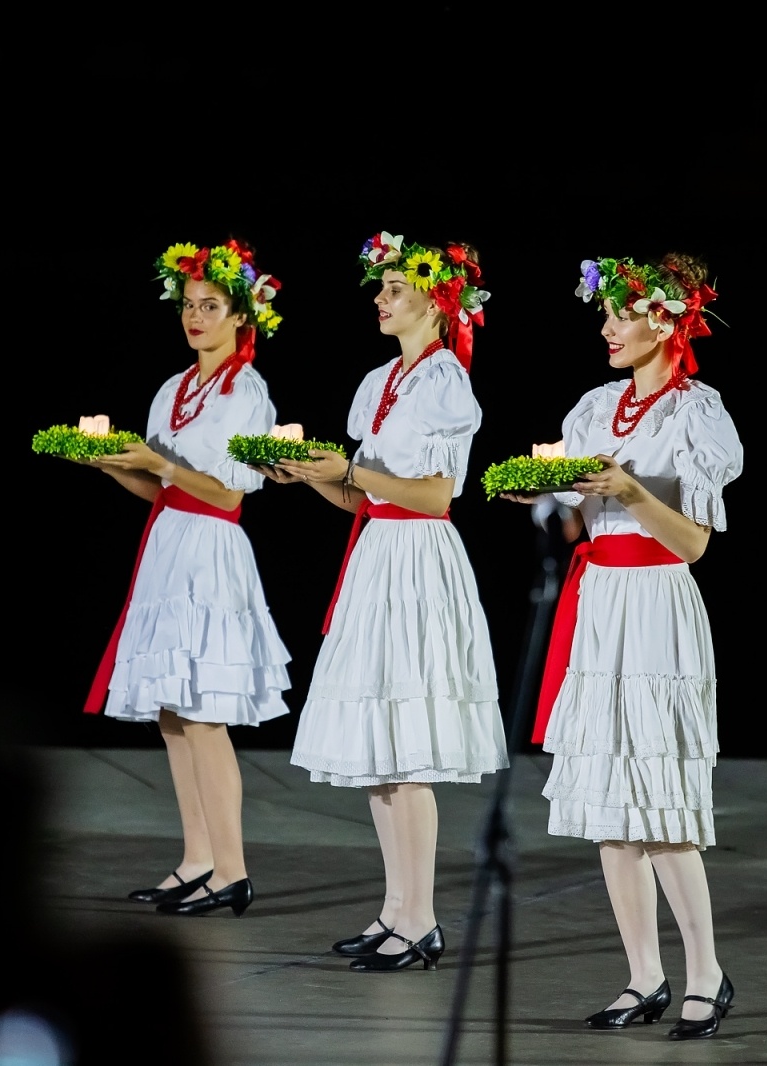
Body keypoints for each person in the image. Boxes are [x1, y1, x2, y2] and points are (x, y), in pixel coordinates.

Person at [510, 253, 741, 1039]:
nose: (606, 327)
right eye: (603, 313)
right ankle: (644, 973)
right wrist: (538, 493)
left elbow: (696, 543)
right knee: (611, 801)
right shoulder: (594, 405)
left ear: (667, 321)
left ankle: (707, 973)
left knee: (661, 799)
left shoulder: (696, 413)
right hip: (599, 598)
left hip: (656, 599)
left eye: (622, 312)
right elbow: (574, 515)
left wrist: (636, 492)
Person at [267, 230, 507, 971]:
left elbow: (434, 494)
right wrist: (312, 475)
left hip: (418, 560)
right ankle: (395, 909)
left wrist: (355, 474)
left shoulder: (445, 383)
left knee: (407, 749)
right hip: (375, 554)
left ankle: (423, 919)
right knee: (378, 752)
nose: (381, 298)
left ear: (437, 301)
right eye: (382, 288)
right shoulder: (377, 383)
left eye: (396, 289)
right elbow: (361, 496)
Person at [84, 239, 292, 918]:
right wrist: (110, 465)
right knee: (173, 715)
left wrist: (162, 466)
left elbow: (228, 495)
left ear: (241, 316)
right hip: (169, 544)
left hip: (212, 549)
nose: (195, 317)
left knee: (204, 715)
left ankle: (231, 868)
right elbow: (160, 491)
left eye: (211, 306)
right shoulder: (174, 389)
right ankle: (196, 858)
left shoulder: (246, 392)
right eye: (189, 306)